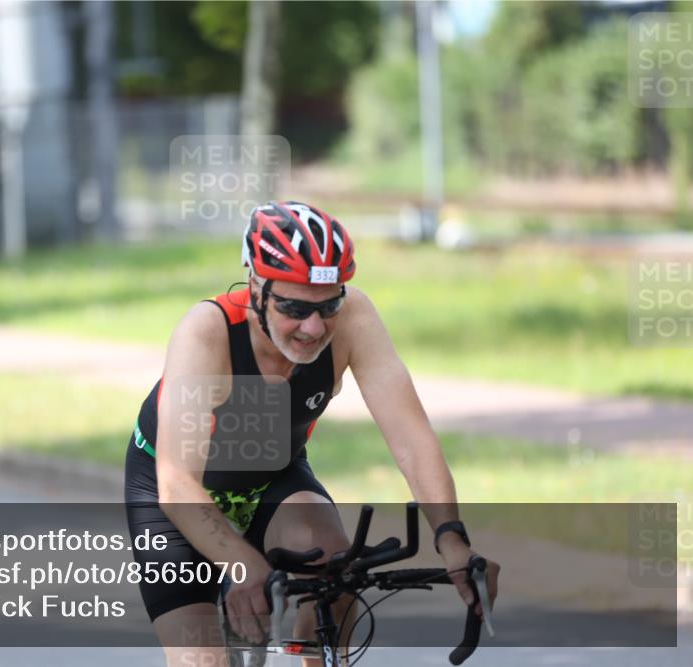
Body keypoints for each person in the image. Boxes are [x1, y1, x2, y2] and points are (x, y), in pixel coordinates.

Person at [124, 201, 500, 666]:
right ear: (258, 288)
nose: (314, 327)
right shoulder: (208, 331)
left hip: (271, 476)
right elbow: (177, 483)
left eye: (329, 306)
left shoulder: (355, 318)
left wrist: (451, 538)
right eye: (295, 308)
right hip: (177, 492)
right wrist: (242, 565)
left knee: (336, 570)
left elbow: (411, 437)